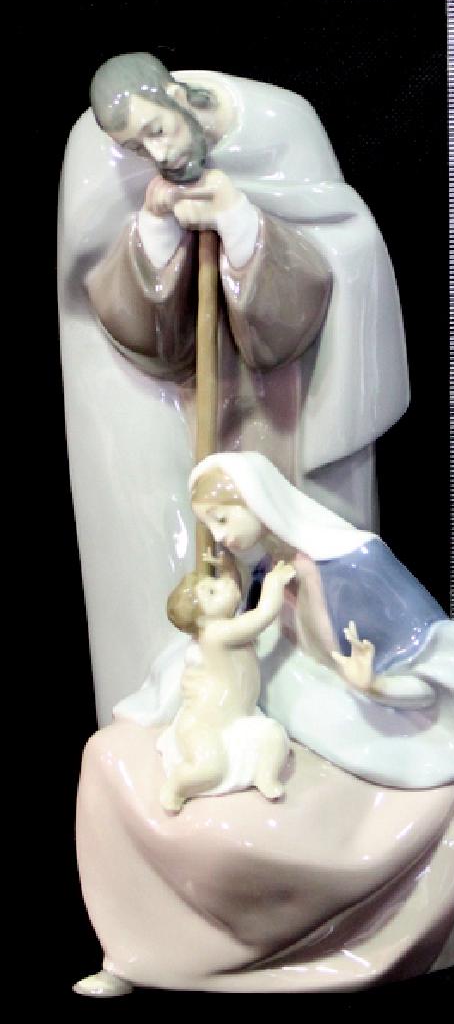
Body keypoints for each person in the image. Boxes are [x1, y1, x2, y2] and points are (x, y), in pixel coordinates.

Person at [58, 54, 410, 725]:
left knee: (306, 569)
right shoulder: (100, 163)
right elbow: (116, 313)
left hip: (287, 411)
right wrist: (156, 229)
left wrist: (239, 221)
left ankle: (317, 709)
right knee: (180, 574)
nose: (157, 154)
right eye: (137, 148)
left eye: (158, 131)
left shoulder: (283, 125)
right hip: (178, 416)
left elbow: (336, 252)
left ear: (178, 97)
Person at [120, 451, 454, 789]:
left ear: (257, 499)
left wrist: (375, 686)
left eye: (221, 519)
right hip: (285, 685)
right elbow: (247, 623)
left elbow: (430, 685)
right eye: (208, 525)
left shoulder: (358, 563)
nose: (219, 536)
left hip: (367, 710)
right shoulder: (271, 567)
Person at [157, 557, 294, 811]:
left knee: (275, 737)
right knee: (210, 767)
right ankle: (176, 786)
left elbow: (232, 593)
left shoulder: (220, 625)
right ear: (201, 620)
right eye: (212, 591)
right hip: (202, 723)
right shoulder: (216, 634)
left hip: (236, 718)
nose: (224, 586)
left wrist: (228, 568)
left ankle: (264, 776)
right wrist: (274, 583)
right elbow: (263, 615)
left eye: (215, 583)